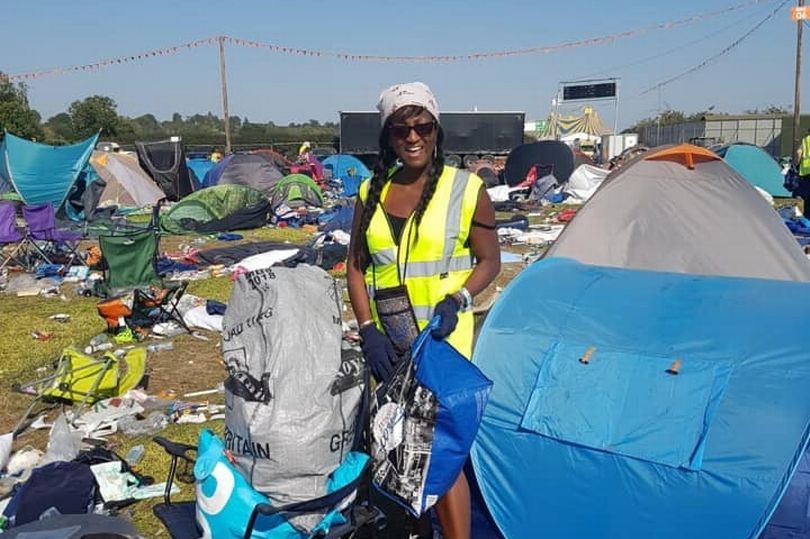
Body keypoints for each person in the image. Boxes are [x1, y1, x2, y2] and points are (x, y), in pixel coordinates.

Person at [347, 82, 500, 539]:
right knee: (401, 451)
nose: (413, 137)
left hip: (440, 343)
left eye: (423, 127)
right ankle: (418, 530)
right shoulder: (370, 191)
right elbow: (355, 268)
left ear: (436, 130)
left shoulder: (466, 189)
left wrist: (459, 299)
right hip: (390, 347)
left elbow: (489, 261)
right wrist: (367, 329)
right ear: (388, 137)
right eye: (401, 130)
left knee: (440, 454)